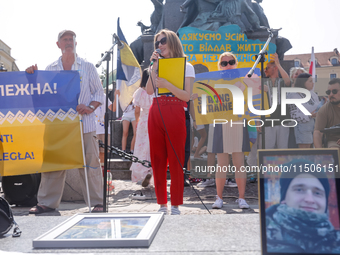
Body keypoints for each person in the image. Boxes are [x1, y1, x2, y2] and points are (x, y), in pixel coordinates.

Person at [26, 30, 105, 213]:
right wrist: (33, 77)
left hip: (84, 123)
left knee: (91, 163)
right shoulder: (50, 68)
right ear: (58, 44)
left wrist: (90, 107)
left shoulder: (88, 66)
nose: (69, 42)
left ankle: (97, 202)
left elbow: (98, 93)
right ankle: (46, 202)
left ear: (76, 43)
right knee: (53, 163)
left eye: (71, 39)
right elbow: (43, 94)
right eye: (65, 40)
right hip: (58, 126)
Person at [146, 29, 195, 215]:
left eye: (163, 41)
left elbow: (186, 95)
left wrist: (167, 85)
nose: (160, 45)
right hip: (155, 110)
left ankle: (175, 204)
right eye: (157, 42)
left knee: (176, 160)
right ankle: (161, 204)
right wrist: (154, 68)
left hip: (176, 109)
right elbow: (149, 91)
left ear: (173, 41)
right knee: (157, 159)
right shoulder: (154, 66)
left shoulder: (187, 66)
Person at [266, 160, 340, 253]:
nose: (309, 199)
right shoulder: (266, 237)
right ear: (284, 198)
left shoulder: (336, 242)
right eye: (299, 190)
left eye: (317, 193)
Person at [212, 52, 249, 210]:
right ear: (220, 66)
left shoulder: (244, 82)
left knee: (239, 163)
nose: (228, 65)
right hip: (221, 123)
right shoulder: (214, 82)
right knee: (222, 164)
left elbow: (250, 105)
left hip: (239, 122)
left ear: (236, 63)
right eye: (224, 63)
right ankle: (218, 198)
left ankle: (241, 198)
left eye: (231, 62)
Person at [130, 69, 154, 186]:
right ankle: (152, 171)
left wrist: (137, 122)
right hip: (155, 121)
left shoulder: (139, 92)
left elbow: (136, 111)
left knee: (141, 148)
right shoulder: (155, 91)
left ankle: (143, 172)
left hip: (143, 122)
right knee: (152, 148)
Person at [289, 73, 319, 148]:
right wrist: (310, 115)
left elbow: (317, 107)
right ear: (303, 82)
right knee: (305, 153)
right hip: (302, 128)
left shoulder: (313, 94)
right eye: (310, 81)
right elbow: (294, 115)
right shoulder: (293, 95)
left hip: (315, 127)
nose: (313, 83)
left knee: (314, 153)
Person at [314, 78, 340, 148]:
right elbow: (318, 133)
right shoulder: (324, 110)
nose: (331, 94)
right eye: (328, 92)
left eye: (334, 91)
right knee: (334, 150)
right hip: (334, 141)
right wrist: (320, 154)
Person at [95, 90, 118, 163]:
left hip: (103, 129)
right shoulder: (87, 95)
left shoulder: (104, 96)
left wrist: (116, 97)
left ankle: (102, 172)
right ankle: (94, 173)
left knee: (103, 153)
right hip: (91, 128)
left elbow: (113, 108)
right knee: (92, 154)